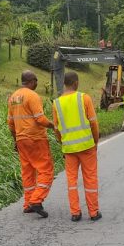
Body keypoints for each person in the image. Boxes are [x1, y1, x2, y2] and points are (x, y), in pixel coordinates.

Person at [52, 71, 102, 222]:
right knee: (90, 179)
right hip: (87, 146)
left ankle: (75, 213)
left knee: (71, 181)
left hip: (69, 149)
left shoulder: (56, 103)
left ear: (64, 84)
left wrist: (63, 143)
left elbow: (56, 128)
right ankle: (93, 212)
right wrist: (95, 141)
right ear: (75, 83)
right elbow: (93, 123)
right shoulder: (84, 98)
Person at [7, 70, 55, 218]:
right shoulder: (33, 96)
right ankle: (36, 200)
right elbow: (40, 119)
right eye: (36, 81)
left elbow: (10, 123)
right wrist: (54, 125)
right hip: (36, 139)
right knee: (46, 170)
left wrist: (16, 140)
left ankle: (28, 203)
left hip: (21, 140)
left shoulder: (13, 97)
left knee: (27, 172)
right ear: (31, 81)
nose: (37, 84)